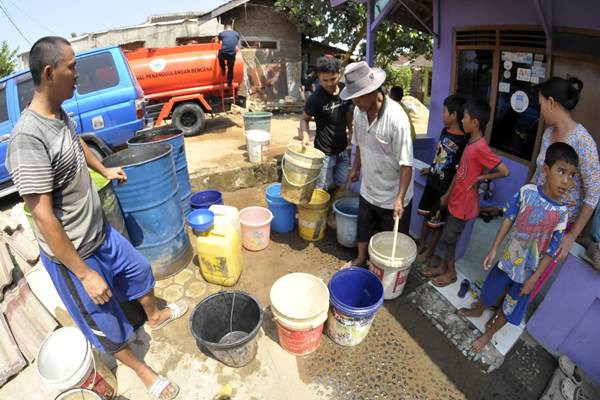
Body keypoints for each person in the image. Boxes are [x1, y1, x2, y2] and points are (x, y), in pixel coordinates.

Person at [6, 37, 185, 400]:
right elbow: (42, 217)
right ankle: (145, 373)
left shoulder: (59, 115)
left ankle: (153, 315)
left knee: (139, 271)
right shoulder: (27, 138)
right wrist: (85, 274)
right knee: (104, 324)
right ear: (48, 72)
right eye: (71, 67)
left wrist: (105, 168)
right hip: (73, 256)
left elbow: (78, 144)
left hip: (100, 233)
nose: (77, 75)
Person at [460, 142, 577, 352]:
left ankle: (488, 335)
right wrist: (494, 248)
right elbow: (509, 218)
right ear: (547, 170)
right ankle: (479, 310)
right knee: (489, 290)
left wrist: (534, 279)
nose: (566, 181)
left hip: (527, 272)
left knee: (511, 307)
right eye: (561, 172)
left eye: (571, 175)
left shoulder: (561, 214)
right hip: (506, 260)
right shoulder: (527, 192)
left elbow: (551, 251)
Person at [528, 76, 600, 300]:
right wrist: (526, 196)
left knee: (536, 272)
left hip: (560, 223)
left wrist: (571, 237)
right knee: (521, 259)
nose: (540, 111)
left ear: (551, 102)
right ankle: (502, 300)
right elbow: (541, 171)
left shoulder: (583, 142)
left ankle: (513, 310)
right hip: (535, 212)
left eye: (540, 105)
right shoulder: (549, 134)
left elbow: (593, 194)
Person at [340, 61, 414, 268]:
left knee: (390, 240)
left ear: (375, 91)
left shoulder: (396, 119)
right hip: (369, 188)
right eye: (353, 97)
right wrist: (356, 168)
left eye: (360, 95)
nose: (356, 101)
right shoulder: (358, 111)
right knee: (363, 227)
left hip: (393, 194)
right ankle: (361, 258)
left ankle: (385, 271)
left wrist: (399, 199)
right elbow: (360, 144)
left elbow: (406, 163)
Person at [429, 98, 510, 287]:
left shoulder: (481, 147)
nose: (462, 121)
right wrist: (448, 194)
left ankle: (451, 273)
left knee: (450, 239)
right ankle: (443, 267)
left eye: (464, 117)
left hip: (465, 205)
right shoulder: (470, 142)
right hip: (456, 199)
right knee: (447, 238)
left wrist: (480, 179)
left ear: (475, 123)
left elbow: (505, 171)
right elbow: (460, 172)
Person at [417, 95, 468, 270]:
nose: (441, 115)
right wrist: (430, 168)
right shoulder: (444, 131)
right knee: (425, 216)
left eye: (444, 111)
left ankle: (429, 251)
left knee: (436, 223)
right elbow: (439, 154)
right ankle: (421, 245)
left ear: (453, 115)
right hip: (432, 180)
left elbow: (459, 170)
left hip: (443, 189)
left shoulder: (463, 141)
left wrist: (448, 194)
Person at [299, 56, 353, 192]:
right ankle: (324, 212)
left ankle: (335, 211)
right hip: (324, 153)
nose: (329, 84)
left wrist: (351, 132)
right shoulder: (315, 98)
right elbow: (304, 118)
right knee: (323, 189)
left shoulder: (345, 91)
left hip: (342, 150)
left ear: (339, 74)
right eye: (324, 80)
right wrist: (305, 137)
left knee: (342, 184)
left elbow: (347, 113)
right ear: (319, 77)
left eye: (333, 79)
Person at [216, 23, 240, 90]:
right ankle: (229, 82)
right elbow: (236, 42)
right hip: (232, 54)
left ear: (225, 29)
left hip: (224, 53)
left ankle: (223, 67)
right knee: (231, 69)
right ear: (231, 29)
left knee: (219, 54)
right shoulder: (236, 34)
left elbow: (218, 40)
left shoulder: (222, 33)